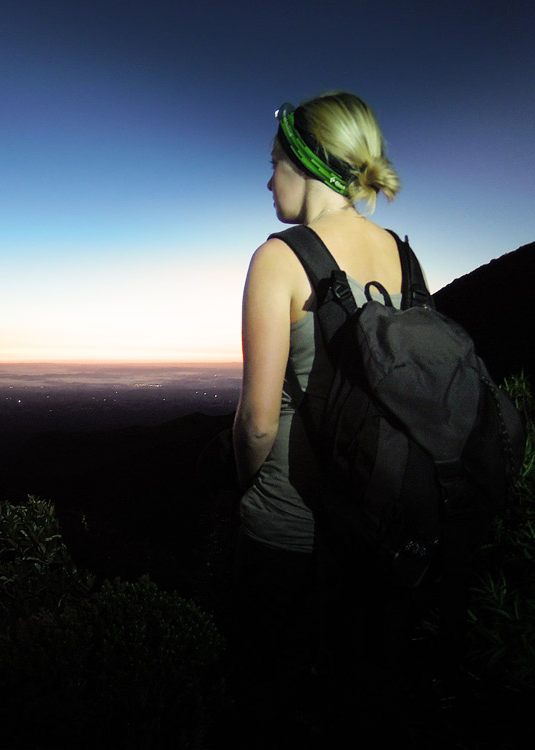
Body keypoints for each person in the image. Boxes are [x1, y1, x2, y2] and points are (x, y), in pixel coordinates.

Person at [230, 92, 406, 747]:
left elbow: (255, 423)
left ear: (304, 165)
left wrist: (241, 485)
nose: (266, 177)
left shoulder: (279, 259)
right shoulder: (401, 257)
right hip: (373, 530)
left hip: (287, 531)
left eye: (274, 161)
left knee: (266, 702)